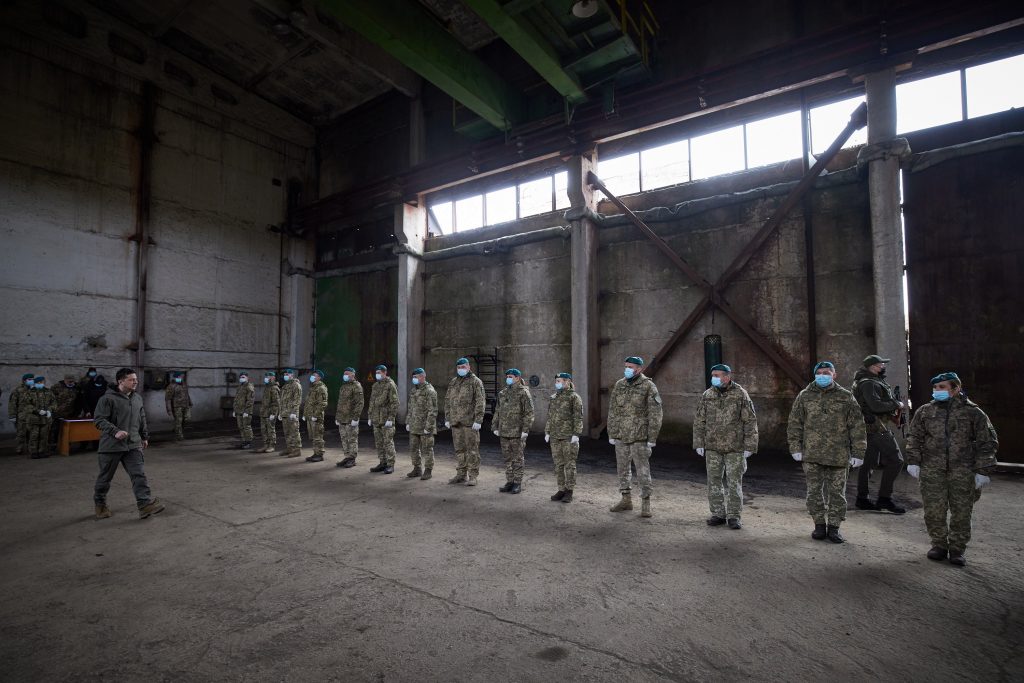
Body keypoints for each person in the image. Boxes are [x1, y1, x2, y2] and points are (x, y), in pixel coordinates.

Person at [906, 372, 998, 566]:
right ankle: (939, 545)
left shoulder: (973, 412)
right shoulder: (925, 411)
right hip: (932, 469)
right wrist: (913, 460)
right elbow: (914, 436)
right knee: (933, 510)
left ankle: (957, 549)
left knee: (962, 512)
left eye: (942, 387)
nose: (937, 391)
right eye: (935, 387)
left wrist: (983, 469)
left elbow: (988, 442)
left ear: (956, 388)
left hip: (963, 470)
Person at [787, 361, 867, 544]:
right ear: (815, 375)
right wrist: (795, 447)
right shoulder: (805, 396)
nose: (822, 376)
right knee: (814, 492)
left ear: (834, 375)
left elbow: (857, 426)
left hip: (838, 455)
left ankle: (834, 527)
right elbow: (795, 423)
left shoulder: (846, 397)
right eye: (819, 373)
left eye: (827, 372)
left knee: (837, 494)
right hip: (812, 454)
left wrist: (858, 452)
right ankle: (819, 525)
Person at [693, 363, 759, 530]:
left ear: (727, 377)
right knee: (713, 481)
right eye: (713, 375)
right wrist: (699, 442)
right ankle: (718, 514)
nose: (714, 378)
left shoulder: (740, 394)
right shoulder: (708, 394)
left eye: (717, 375)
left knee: (734, 483)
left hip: (734, 447)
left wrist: (750, 445)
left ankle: (734, 516)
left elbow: (750, 421)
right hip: (713, 446)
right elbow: (699, 420)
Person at [92, 367, 163, 520]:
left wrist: (144, 436)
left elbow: (141, 417)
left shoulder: (137, 398)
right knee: (105, 478)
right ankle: (100, 505)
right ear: (121, 381)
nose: (136, 382)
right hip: (111, 445)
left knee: (139, 474)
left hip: (133, 444)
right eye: (131, 379)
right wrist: (115, 431)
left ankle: (144, 505)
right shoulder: (107, 399)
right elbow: (99, 420)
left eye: (136, 379)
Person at [607, 356, 663, 518]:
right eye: (626, 366)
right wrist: (612, 433)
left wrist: (652, 438)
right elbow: (613, 411)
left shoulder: (648, 386)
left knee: (643, 471)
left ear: (639, 368)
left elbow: (656, 414)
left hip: (640, 436)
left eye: (630, 367)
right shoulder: (620, 384)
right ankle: (626, 500)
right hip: (622, 435)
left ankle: (646, 503)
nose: (627, 369)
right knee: (622, 469)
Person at [852, 354, 907, 513]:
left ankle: (862, 499)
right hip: (877, 428)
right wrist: (897, 404)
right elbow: (875, 406)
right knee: (896, 460)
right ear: (872, 367)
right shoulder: (869, 383)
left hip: (868, 427)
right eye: (881, 364)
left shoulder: (867, 380)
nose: (883, 366)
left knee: (868, 463)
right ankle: (884, 499)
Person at [492, 368, 535, 494]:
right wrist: (495, 426)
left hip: (517, 432)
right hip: (504, 431)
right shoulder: (503, 393)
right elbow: (497, 411)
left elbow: (529, 413)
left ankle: (517, 483)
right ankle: (510, 481)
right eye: (507, 377)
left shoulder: (523, 393)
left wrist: (526, 429)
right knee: (507, 458)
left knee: (517, 458)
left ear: (517, 378)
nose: (508, 379)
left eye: (510, 376)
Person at [444, 357, 485, 486]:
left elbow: (480, 401)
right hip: (456, 422)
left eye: (463, 367)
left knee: (472, 450)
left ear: (468, 367)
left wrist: (478, 420)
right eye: (459, 367)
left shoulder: (475, 382)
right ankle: (461, 474)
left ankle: (473, 476)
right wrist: (447, 417)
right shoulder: (453, 382)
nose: (461, 369)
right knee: (459, 450)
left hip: (469, 422)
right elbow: (447, 400)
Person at [545, 372, 583, 503]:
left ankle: (569, 491)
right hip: (555, 436)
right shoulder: (553, 397)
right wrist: (547, 432)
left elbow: (578, 417)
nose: (557, 383)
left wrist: (576, 434)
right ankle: (561, 489)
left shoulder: (574, 397)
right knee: (558, 465)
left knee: (570, 465)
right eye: (556, 381)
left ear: (567, 382)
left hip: (568, 436)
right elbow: (550, 416)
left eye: (559, 381)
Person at [405, 368, 437, 480]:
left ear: (423, 377)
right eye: (413, 377)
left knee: (427, 449)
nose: (414, 379)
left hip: (425, 426)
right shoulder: (413, 391)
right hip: (414, 425)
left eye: (416, 377)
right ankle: (417, 468)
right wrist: (408, 421)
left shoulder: (429, 391)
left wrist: (429, 426)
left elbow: (433, 411)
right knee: (413, 448)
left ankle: (428, 470)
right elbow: (410, 408)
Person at [368, 365, 399, 474]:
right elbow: (372, 402)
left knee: (388, 442)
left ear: (385, 373)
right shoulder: (375, 385)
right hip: (376, 419)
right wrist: (370, 416)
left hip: (386, 419)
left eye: (379, 372)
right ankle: (383, 462)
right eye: (376, 372)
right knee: (379, 443)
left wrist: (391, 418)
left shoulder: (390, 385)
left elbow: (395, 403)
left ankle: (390, 464)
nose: (377, 374)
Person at [334, 367, 364, 468]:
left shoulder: (356, 386)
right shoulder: (343, 386)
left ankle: (352, 459)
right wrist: (337, 417)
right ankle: (347, 457)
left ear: (353, 375)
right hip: (342, 418)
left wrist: (356, 418)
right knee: (344, 438)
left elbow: (359, 403)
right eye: (344, 373)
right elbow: (340, 403)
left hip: (350, 418)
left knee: (352, 439)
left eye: (347, 373)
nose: (345, 375)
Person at [49, 374, 82, 454]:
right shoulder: (57, 387)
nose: (71, 383)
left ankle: (66, 447)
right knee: (55, 430)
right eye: (69, 381)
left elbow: (80, 399)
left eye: (72, 381)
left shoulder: (76, 387)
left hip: (70, 414)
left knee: (67, 431)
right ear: (65, 380)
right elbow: (50, 397)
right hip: (57, 413)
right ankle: (52, 447)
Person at [23, 376, 55, 459]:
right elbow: (26, 405)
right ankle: (33, 452)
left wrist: (49, 410)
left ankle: (42, 451)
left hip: (46, 419)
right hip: (34, 418)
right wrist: (37, 411)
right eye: (39, 382)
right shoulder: (29, 392)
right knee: (34, 436)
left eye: (42, 382)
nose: (41, 384)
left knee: (44, 436)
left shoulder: (48, 392)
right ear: (35, 383)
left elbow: (54, 403)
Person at [303, 369, 329, 463]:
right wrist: (305, 414)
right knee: (313, 436)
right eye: (312, 375)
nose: (312, 377)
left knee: (318, 436)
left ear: (319, 378)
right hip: (310, 416)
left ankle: (319, 455)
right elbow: (308, 403)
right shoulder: (313, 388)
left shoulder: (321, 388)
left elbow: (323, 403)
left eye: (315, 375)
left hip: (316, 417)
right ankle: (315, 453)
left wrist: (316, 415)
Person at [8, 373, 35, 455]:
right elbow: (12, 403)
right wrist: (12, 415)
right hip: (21, 415)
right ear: (24, 380)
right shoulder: (18, 390)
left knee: (32, 433)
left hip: (33, 415)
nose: (31, 381)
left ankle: (31, 448)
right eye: (29, 379)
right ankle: (19, 447)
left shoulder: (35, 389)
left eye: (32, 379)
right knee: (21, 433)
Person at [279, 368, 303, 458]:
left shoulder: (296, 385)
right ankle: (290, 448)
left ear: (292, 375)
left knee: (294, 432)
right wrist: (280, 412)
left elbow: (297, 399)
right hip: (285, 412)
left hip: (292, 413)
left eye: (287, 374)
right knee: (287, 432)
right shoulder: (285, 386)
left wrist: (294, 412)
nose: (285, 376)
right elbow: (282, 400)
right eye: (284, 374)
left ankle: (297, 450)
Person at [165, 371, 192, 441]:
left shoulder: (184, 384)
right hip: (177, 406)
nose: (180, 378)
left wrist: (190, 402)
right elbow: (168, 399)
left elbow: (187, 394)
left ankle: (176, 429)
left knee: (187, 418)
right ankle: (179, 436)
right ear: (175, 378)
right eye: (178, 377)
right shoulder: (171, 386)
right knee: (179, 420)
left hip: (186, 405)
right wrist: (169, 410)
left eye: (181, 376)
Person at [232, 371, 256, 449]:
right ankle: (244, 441)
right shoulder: (240, 387)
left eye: (243, 377)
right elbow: (236, 399)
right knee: (241, 427)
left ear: (247, 378)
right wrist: (235, 410)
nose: (241, 378)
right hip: (239, 411)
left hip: (246, 411)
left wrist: (247, 411)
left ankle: (248, 442)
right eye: (240, 377)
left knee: (246, 427)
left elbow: (250, 400)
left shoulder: (249, 387)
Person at [260, 371, 281, 453]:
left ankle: (271, 446)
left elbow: (276, 402)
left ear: (273, 378)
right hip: (264, 412)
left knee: (270, 429)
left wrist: (274, 413)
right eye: (266, 376)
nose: (266, 378)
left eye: (268, 376)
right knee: (264, 429)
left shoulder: (274, 388)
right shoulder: (267, 387)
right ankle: (266, 445)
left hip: (270, 413)